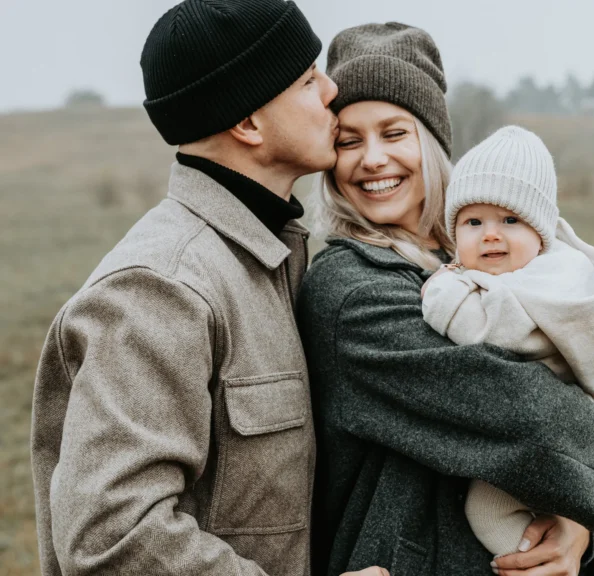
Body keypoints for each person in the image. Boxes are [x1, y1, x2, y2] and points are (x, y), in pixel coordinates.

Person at [30, 2, 384, 575]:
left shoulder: (271, 255)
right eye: (307, 79)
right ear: (248, 123)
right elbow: (112, 536)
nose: (331, 90)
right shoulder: (159, 289)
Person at [298, 22, 594, 576]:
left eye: (394, 132)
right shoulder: (350, 291)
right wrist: (584, 480)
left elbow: (562, 377)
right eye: (349, 140)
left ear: (431, 141)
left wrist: (574, 524)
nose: (372, 159)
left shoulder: (485, 249)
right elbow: (530, 415)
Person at [420, 126, 594, 558]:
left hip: (544, 434)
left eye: (510, 220)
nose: (491, 234)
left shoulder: (554, 283)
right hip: (551, 430)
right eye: (473, 223)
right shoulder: (541, 269)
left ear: (541, 230)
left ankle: (526, 564)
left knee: (489, 511)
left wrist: (442, 291)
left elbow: (490, 331)